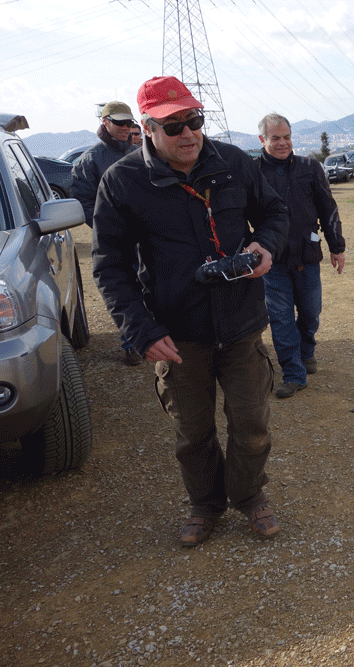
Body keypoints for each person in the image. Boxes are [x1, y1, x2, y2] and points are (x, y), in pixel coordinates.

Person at [92, 76, 290, 547]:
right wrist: (140, 331)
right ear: (147, 128)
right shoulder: (122, 181)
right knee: (193, 433)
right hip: (177, 334)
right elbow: (110, 265)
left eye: (194, 120)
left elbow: (275, 212)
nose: (188, 133)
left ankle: (249, 496)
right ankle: (205, 504)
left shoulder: (233, 163)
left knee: (252, 424)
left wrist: (266, 244)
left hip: (240, 324)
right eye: (173, 125)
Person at [254, 113, 346, 399]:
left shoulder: (310, 167)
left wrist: (336, 246)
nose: (283, 143)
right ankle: (294, 373)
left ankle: (307, 351)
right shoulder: (253, 171)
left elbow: (328, 208)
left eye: (287, 137)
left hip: (307, 256)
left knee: (310, 312)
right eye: (275, 138)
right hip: (272, 261)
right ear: (262, 140)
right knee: (281, 318)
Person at [70, 100, 142, 365]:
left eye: (129, 122)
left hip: (147, 237)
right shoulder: (90, 160)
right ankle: (132, 344)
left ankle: (152, 338)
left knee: (153, 287)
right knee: (126, 291)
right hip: (116, 241)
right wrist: (111, 229)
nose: (125, 127)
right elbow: (84, 203)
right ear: (105, 122)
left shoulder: (141, 154)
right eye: (120, 122)